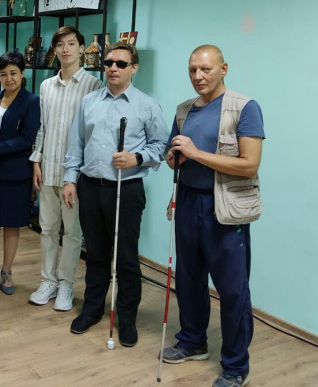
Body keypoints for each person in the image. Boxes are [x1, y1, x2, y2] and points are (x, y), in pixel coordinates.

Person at [161, 45, 264, 387]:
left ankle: (235, 366)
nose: (198, 76)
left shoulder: (244, 108)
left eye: (205, 69)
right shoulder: (184, 110)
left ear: (223, 69)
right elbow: (174, 155)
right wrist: (175, 158)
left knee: (233, 290)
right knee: (188, 280)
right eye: (192, 69)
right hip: (188, 202)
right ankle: (193, 342)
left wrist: (195, 154)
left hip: (226, 209)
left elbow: (249, 165)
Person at [62, 42, 169, 346]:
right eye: (109, 63)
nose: (113, 68)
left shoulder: (146, 105)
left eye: (121, 64)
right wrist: (70, 179)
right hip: (90, 187)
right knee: (95, 254)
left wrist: (137, 157)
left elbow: (162, 145)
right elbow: (76, 144)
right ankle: (92, 310)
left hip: (126, 189)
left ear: (134, 68)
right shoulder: (89, 102)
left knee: (125, 259)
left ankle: (127, 318)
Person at [29, 26, 102, 311]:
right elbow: (43, 127)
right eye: (60, 45)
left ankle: (66, 284)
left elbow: (91, 135)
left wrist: (78, 173)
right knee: (47, 229)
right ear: (55, 50)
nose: (65, 49)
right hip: (48, 168)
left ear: (82, 48)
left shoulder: (93, 86)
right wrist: (37, 161)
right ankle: (47, 281)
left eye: (71, 44)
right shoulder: (46, 86)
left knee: (72, 233)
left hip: (75, 175)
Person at [0, 52, 40, 295]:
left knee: (12, 224)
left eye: (13, 73)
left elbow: (28, 137)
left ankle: (7, 271)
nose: (8, 78)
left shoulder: (31, 101)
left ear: (22, 74)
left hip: (16, 171)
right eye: (3, 74)